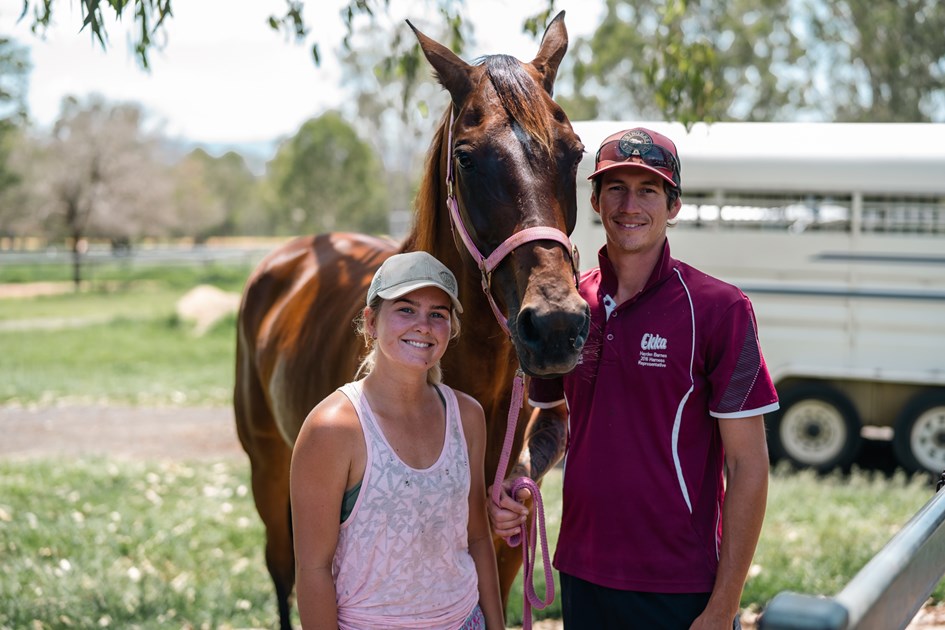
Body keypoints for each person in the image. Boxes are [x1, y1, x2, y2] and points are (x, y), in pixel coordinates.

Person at [489, 127, 780, 629]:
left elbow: (748, 465)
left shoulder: (720, 309)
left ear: (674, 205)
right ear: (596, 200)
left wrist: (723, 607)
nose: (630, 204)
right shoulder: (571, 307)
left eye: (648, 189)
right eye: (616, 188)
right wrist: (524, 473)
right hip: (582, 572)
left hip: (681, 586)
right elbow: (554, 417)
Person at [290, 250, 504, 630]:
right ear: (371, 322)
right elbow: (313, 569)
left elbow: (477, 537)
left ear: (450, 329)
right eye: (405, 309)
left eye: (438, 314)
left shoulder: (467, 416)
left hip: (464, 620)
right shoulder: (334, 429)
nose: (423, 325)